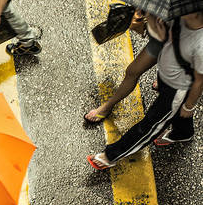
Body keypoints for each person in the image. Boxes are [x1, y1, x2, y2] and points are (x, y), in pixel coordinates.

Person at [88, 11, 203, 169]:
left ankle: (111, 155)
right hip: (166, 74)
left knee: (150, 125)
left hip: (177, 89)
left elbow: (199, 82)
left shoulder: (200, 44)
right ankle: (183, 132)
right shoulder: (182, 20)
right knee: (177, 114)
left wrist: (189, 106)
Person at [84, 11, 162, 123]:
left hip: (174, 40)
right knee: (132, 71)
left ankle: (165, 79)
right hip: (161, 34)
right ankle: (107, 107)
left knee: (167, 70)